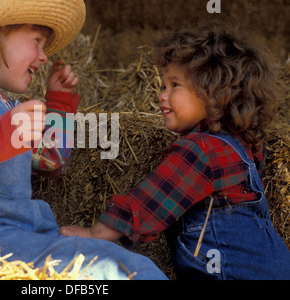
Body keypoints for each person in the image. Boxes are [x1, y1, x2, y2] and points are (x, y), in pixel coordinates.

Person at [0, 0, 167, 280]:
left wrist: (59, 104)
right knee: (108, 269)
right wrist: (0, 136)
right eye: (37, 42)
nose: (44, 57)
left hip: (23, 236)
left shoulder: (8, 106)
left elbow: (51, 159)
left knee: (132, 264)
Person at [60, 23, 290, 279]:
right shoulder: (240, 146)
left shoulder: (202, 150)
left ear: (214, 95)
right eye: (163, 85)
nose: (161, 95)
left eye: (174, 85)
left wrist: (94, 235)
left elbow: (147, 205)